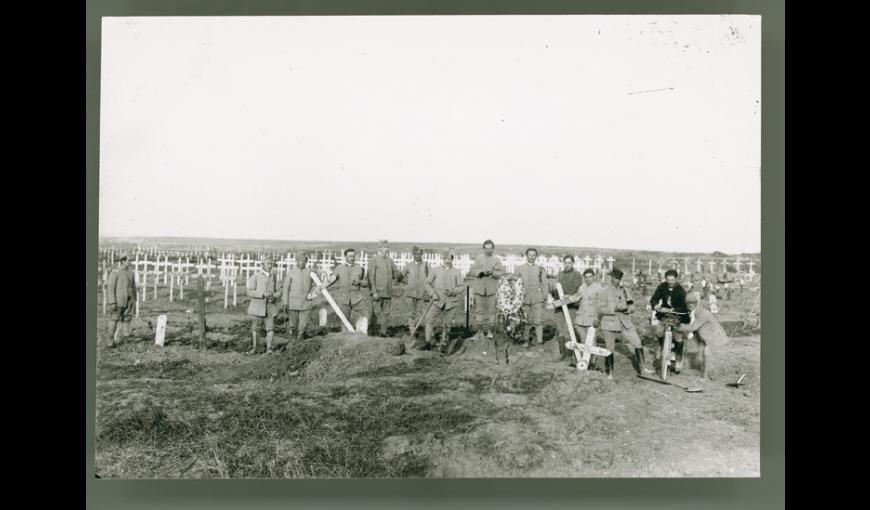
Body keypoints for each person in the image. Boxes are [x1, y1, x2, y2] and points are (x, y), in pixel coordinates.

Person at [597, 267, 651, 378]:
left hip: (624, 321)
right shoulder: (604, 291)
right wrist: (614, 309)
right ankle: (610, 373)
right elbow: (600, 309)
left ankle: (643, 369)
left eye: (619, 278)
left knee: (637, 342)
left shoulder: (625, 291)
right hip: (609, 322)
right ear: (611, 277)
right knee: (609, 348)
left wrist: (627, 309)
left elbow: (632, 306)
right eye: (615, 278)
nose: (617, 280)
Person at [422, 250, 466, 353]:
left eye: (449, 259)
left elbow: (461, 287)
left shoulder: (457, 272)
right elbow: (427, 283)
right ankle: (428, 342)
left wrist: (454, 291)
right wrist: (432, 294)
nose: (447, 261)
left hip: (451, 303)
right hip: (437, 301)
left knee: (447, 324)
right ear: (442, 259)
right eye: (445, 259)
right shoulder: (435, 270)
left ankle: (443, 345)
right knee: (429, 319)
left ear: (452, 259)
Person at [677, 293, 728, 379]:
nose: (689, 306)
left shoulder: (702, 313)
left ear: (696, 303)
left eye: (691, 304)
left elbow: (693, 327)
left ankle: (706, 376)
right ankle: (706, 371)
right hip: (704, 336)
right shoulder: (696, 311)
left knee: (707, 354)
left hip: (714, 336)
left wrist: (679, 327)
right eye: (688, 304)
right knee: (700, 357)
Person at [649, 269, 691, 372]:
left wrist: (675, 309)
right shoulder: (662, 287)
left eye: (672, 280)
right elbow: (654, 298)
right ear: (666, 279)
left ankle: (678, 360)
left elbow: (685, 305)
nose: (670, 282)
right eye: (668, 279)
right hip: (664, 314)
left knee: (678, 337)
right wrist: (656, 305)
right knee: (658, 332)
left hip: (678, 315)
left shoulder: (680, 290)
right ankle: (662, 347)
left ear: (676, 279)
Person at [513, 247, 549, 348]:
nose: (532, 257)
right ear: (526, 256)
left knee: (538, 320)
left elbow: (544, 284)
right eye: (530, 255)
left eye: (534, 255)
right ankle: (525, 340)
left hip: (537, 298)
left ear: (536, 256)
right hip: (525, 298)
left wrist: (545, 297)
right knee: (526, 320)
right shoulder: (520, 268)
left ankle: (539, 342)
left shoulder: (540, 269)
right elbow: (515, 282)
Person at [469, 239, 505, 339]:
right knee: (479, 311)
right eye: (486, 248)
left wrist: (492, 273)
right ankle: (479, 332)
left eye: (490, 248)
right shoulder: (478, 259)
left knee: (492, 311)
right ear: (483, 248)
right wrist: (481, 272)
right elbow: (472, 271)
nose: (488, 250)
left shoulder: (497, 260)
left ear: (493, 249)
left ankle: (490, 331)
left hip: (492, 289)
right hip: (479, 288)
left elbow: (501, 273)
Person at [246, 256, 282, 354]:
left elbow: (279, 291)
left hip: (270, 307)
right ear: (262, 265)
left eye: (271, 264)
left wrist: (274, 296)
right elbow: (249, 292)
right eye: (268, 264)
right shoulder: (255, 276)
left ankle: (269, 349)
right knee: (256, 328)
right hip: (258, 307)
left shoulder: (274, 277)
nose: (270, 266)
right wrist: (262, 294)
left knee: (270, 328)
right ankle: (255, 348)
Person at [550, 255, 583, 357]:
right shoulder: (559, 275)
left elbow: (577, 289)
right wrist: (552, 293)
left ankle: (575, 352)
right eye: (566, 262)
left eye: (569, 262)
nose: (567, 265)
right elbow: (556, 289)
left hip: (571, 306)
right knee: (560, 329)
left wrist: (569, 296)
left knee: (572, 328)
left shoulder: (577, 275)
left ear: (573, 263)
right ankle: (562, 352)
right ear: (563, 263)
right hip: (559, 306)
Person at [567, 268, 603, 363]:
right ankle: (583, 361)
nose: (588, 279)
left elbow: (601, 306)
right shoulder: (581, 287)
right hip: (580, 319)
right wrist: (569, 299)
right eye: (586, 277)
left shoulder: (599, 288)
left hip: (592, 319)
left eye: (590, 277)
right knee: (583, 340)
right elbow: (576, 300)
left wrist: (598, 319)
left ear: (594, 277)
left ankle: (592, 361)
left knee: (591, 340)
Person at [332, 248, 371, 333]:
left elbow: (366, 283)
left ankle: (361, 335)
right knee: (344, 320)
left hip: (357, 298)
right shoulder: (339, 269)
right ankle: (345, 338)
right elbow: (331, 280)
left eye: (353, 256)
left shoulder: (360, 268)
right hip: (344, 299)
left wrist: (359, 282)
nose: (352, 258)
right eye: (350, 256)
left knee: (365, 314)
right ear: (345, 256)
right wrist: (320, 287)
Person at [281, 252, 317, 342]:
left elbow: (315, 286)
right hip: (293, 304)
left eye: (304, 261)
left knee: (303, 326)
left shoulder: (310, 272)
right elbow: (285, 288)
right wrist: (285, 302)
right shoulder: (291, 272)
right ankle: (293, 341)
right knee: (293, 325)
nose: (302, 263)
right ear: (296, 261)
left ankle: (299, 342)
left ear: (306, 262)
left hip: (306, 303)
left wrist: (312, 296)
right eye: (300, 261)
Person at [368, 241, 400, 336]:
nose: (387, 249)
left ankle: (383, 333)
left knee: (386, 313)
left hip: (388, 292)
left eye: (388, 247)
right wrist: (374, 292)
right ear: (379, 248)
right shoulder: (374, 260)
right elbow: (370, 277)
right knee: (376, 312)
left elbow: (395, 272)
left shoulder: (390, 260)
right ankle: (372, 332)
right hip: (378, 292)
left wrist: (400, 276)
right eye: (385, 247)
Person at [105, 253, 137, 348]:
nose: (130, 262)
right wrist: (112, 302)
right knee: (114, 320)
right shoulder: (116, 272)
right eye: (128, 260)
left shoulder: (131, 272)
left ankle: (126, 338)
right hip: (118, 301)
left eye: (130, 261)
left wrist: (134, 299)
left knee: (127, 319)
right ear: (122, 261)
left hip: (129, 301)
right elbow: (110, 288)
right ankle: (110, 341)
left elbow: (133, 287)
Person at [400, 246, 430, 338]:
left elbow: (431, 279)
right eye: (415, 254)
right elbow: (400, 276)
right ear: (413, 255)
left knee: (424, 315)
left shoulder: (426, 266)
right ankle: (412, 333)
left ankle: (426, 334)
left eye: (419, 254)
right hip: (410, 294)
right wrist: (406, 283)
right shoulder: (408, 265)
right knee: (412, 314)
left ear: (422, 254)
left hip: (422, 294)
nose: (417, 256)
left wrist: (428, 292)